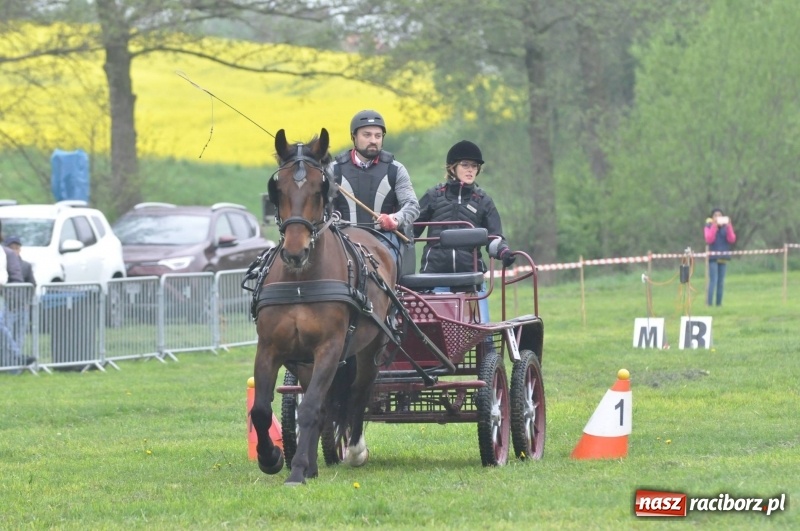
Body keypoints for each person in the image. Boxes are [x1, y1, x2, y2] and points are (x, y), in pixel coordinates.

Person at [413, 140, 516, 324]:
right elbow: (411, 231)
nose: (470, 170)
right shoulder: (433, 196)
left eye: (474, 166)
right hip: (435, 277)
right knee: (434, 331)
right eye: (465, 165)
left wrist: (503, 252)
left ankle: (488, 351)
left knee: (482, 332)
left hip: (470, 277)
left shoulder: (484, 201)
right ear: (452, 168)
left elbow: (495, 236)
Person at [331, 110, 420, 261]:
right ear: (353, 137)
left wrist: (395, 219)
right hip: (342, 239)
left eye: (378, 136)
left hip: (384, 239)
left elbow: (412, 205)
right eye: (367, 135)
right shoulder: (332, 170)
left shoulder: (396, 169)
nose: (373, 140)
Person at [704, 208, 737, 306]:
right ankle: (709, 304)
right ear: (712, 217)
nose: (718, 217)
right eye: (715, 215)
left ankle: (719, 304)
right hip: (713, 257)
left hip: (723, 256)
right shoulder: (708, 226)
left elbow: (732, 239)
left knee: (721, 282)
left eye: (720, 215)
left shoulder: (726, 227)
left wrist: (729, 226)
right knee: (713, 281)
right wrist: (714, 226)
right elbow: (709, 239)